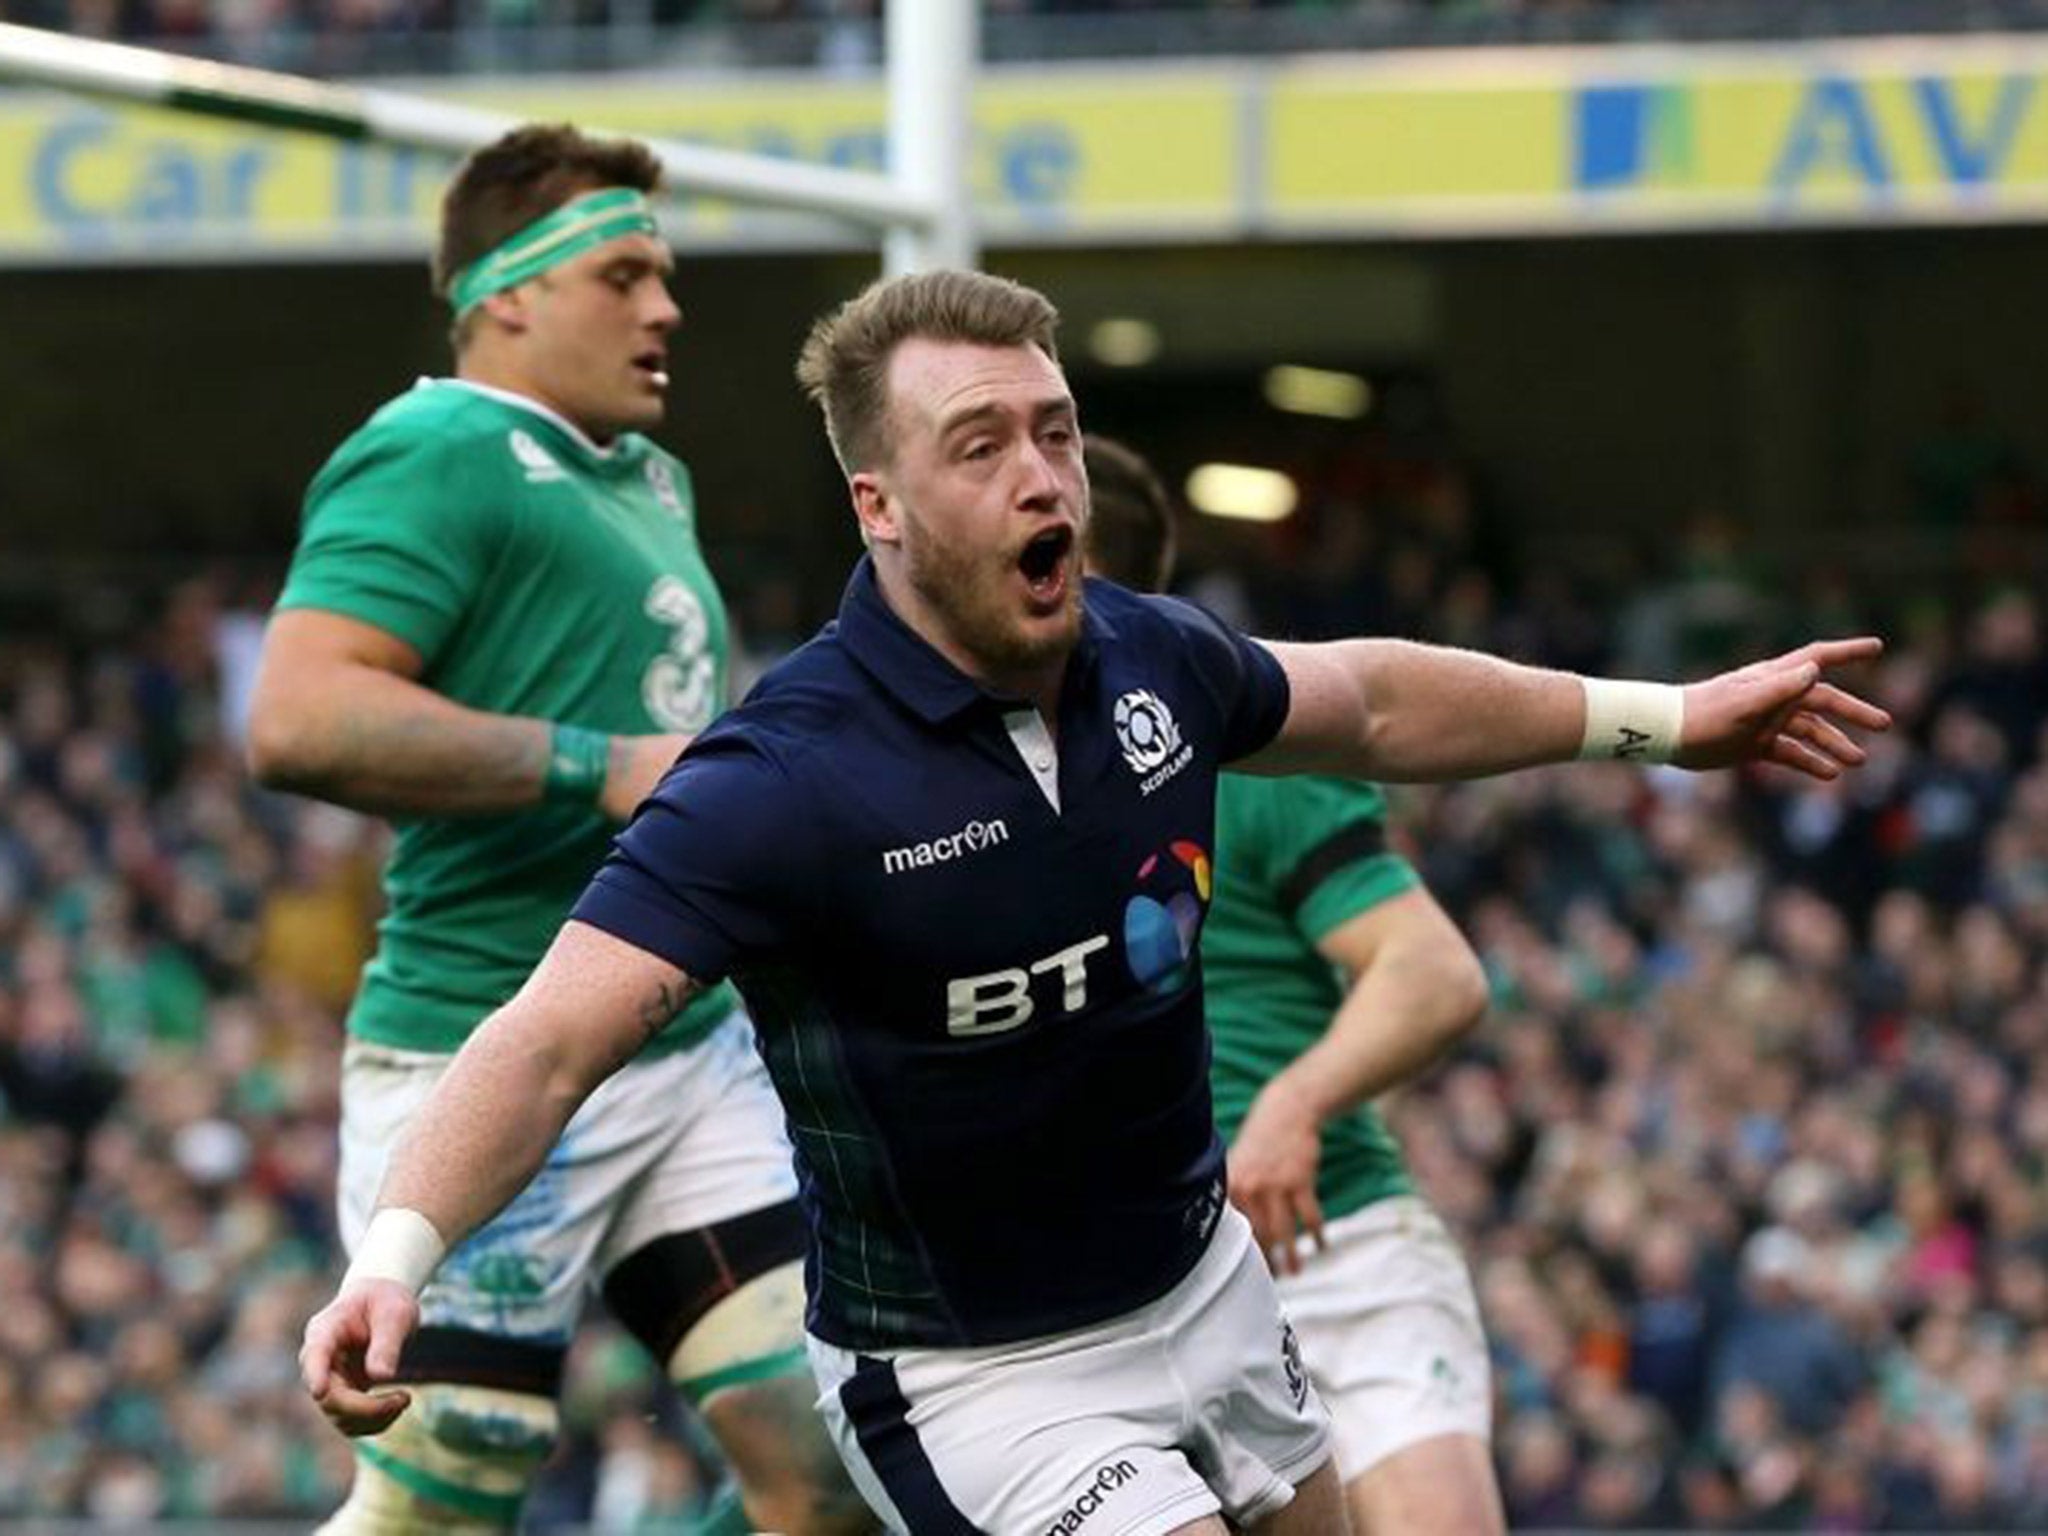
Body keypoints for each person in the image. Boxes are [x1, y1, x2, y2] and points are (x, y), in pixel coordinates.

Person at [298, 268, 1887, 1536]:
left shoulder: (1154, 659)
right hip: (979, 1374)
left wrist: (1670, 722)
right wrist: (395, 1255)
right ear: (882, 507)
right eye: (979, 446)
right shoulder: (782, 778)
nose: (1043, 476)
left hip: (1206, 1288)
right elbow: (548, 1039)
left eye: (1053, 430)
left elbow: (1381, 704)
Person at [248, 123, 867, 1535]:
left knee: (836, 1468)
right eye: (626, 273)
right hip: (485, 1046)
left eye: (668, 275)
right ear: (507, 292)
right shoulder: (435, 448)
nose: (668, 308)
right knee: (449, 1493)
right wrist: (597, 766)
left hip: (679, 1045)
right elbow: (297, 715)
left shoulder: (650, 480)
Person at [1082, 434, 1505, 1535]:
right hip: (1117, 1287)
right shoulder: (945, 796)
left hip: (1325, 1240)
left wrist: (1293, 1102)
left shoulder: (1252, 759)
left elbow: (1429, 969)